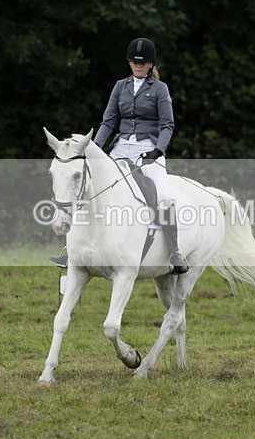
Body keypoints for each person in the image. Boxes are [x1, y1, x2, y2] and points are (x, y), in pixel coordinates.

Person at [50, 37, 189, 274]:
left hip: (149, 148)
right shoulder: (120, 87)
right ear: (129, 63)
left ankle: (175, 252)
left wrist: (158, 150)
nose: (138, 66)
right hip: (121, 147)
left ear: (150, 64)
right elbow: (108, 122)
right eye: (134, 62)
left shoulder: (159, 89)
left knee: (163, 196)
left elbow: (167, 125)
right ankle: (71, 250)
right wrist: (90, 150)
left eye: (143, 63)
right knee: (91, 189)